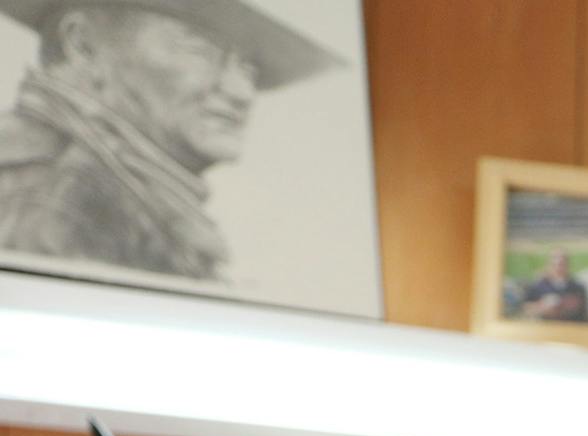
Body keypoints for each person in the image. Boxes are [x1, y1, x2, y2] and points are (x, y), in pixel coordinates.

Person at [0, 0, 341, 279]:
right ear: (82, 45)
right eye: (199, 48)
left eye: (248, 69)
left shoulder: (127, 192)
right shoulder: (47, 196)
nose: (242, 93)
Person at [518, 248, 587, 322]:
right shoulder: (538, 285)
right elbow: (525, 308)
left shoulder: (577, 287)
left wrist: (568, 307)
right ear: (548, 265)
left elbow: (583, 312)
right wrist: (541, 306)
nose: (558, 268)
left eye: (562, 264)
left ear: (568, 265)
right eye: (555, 264)